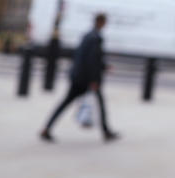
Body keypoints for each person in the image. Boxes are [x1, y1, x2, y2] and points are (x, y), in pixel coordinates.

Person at [40, 13, 120, 142]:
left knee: (66, 103)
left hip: (78, 76)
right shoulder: (95, 38)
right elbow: (92, 60)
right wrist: (94, 79)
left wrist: (103, 67)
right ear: (101, 22)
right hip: (86, 79)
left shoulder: (88, 35)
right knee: (98, 104)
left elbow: (83, 57)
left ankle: (47, 128)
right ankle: (106, 132)